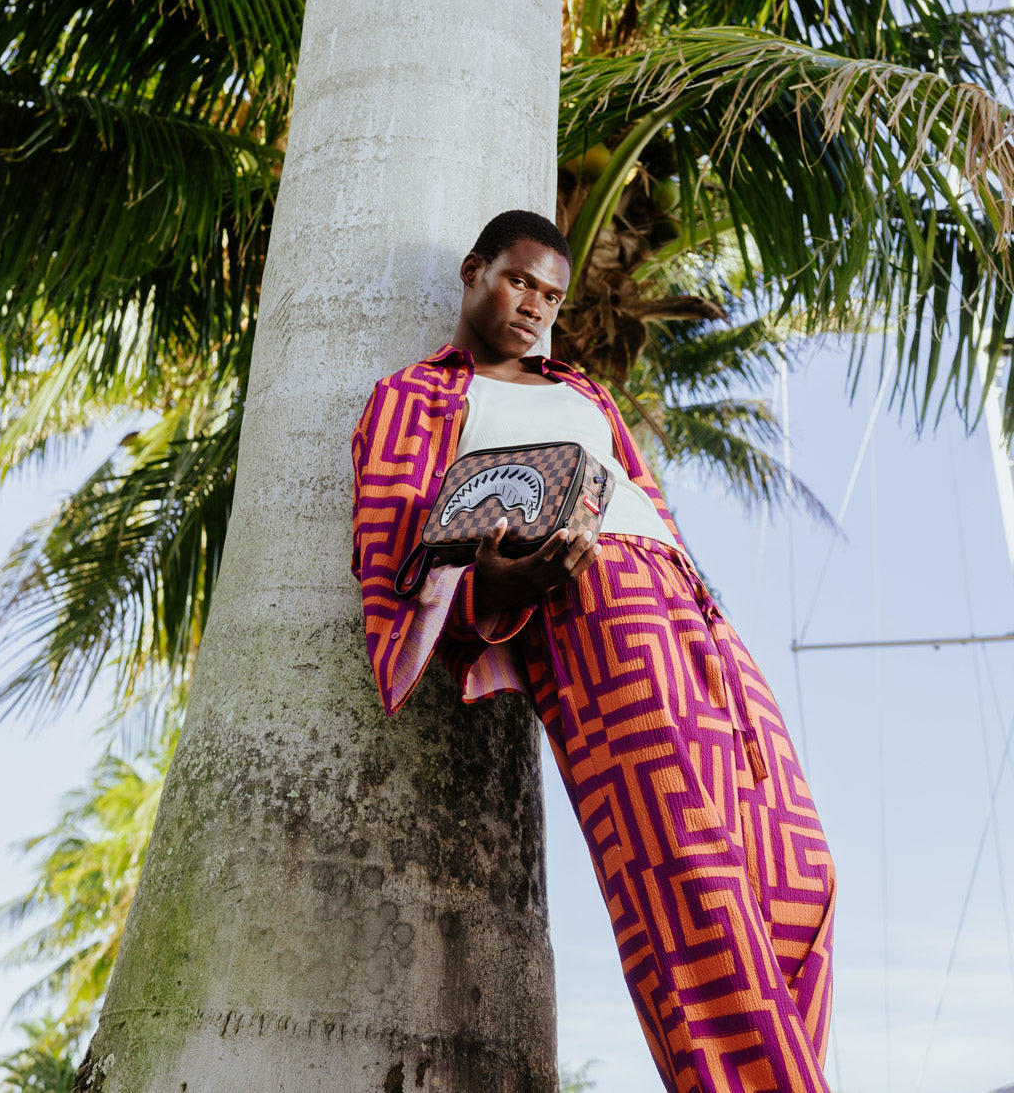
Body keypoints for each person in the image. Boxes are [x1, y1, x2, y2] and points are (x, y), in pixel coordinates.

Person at [351, 209, 835, 1093]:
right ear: (475, 271)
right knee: (688, 883)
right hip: (593, 606)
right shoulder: (413, 396)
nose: (536, 304)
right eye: (519, 281)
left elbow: (643, 497)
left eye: (552, 294)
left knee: (803, 878)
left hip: (694, 611)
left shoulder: (585, 393)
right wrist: (498, 592)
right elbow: (392, 564)